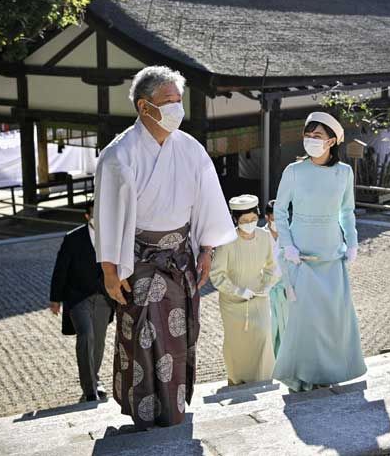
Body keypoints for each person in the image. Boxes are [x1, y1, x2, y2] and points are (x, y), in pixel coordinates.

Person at [93, 66, 236, 429]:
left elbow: (207, 202)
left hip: (181, 256)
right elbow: (107, 216)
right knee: (143, 335)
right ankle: (142, 410)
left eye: (178, 101)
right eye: (168, 102)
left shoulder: (190, 149)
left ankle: (174, 408)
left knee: (180, 333)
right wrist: (110, 272)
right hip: (139, 259)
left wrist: (207, 250)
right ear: (145, 106)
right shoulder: (119, 156)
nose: (177, 108)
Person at [272, 111, 366, 392]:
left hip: (331, 257)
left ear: (332, 141)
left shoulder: (343, 173)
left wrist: (352, 243)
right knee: (306, 320)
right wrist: (287, 244)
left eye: (318, 136)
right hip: (301, 258)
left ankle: (330, 372)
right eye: (308, 135)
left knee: (332, 318)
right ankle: (302, 375)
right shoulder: (294, 171)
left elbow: (346, 211)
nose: (311, 140)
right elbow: (279, 210)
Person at [210, 194, 280, 385]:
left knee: (264, 335)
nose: (249, 223)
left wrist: (267, 285)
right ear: (235, 220)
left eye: (253, 219)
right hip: (233, 303)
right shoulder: (226, 242)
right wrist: (237, 290)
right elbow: (217, 274)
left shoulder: (265, 237)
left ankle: (264, 379)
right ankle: (237, 379)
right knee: (237, 343)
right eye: (244, 220)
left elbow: (272, 266)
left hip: (259, 298)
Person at [49, 199, 114, 402]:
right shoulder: (73, 238)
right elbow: (61, 269)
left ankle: (95, 378)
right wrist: (55, 298)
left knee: (99, 341)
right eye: (94, 213)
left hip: (104, 297)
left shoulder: (112, 236)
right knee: (86, 336)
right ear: (87, 216)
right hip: (78, 298)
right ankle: (89, 390)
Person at [263, 199, 289, 357]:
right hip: (267, 288)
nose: (277, 223)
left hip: (286, 288)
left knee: (287, 326)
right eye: (274, 219)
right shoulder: (260, 235)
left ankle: (285, 361)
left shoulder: (289, 235)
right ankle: (268, 362)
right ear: (267, 218)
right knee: (270, 327)